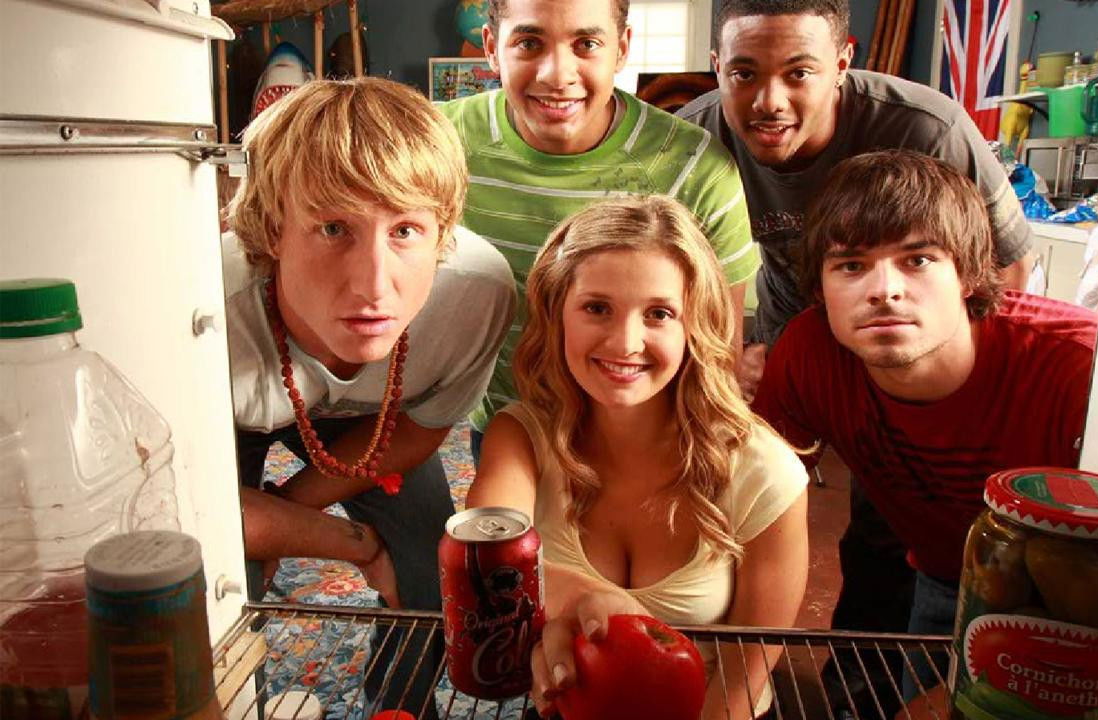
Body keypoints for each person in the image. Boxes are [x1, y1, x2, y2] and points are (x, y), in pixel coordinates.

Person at [751, 150, 1097, 712]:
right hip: (942, 574)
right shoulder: (810, 351)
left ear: (968, 275)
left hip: (1076, 607)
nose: (884, 290)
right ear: (818, 288)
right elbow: (748, 497)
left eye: (917, 260)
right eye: (851, 266)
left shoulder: (1078, 369)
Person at [223, 77, 515, 716]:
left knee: (428, 574)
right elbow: (184, 512)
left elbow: (420, 430)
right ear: (272, 229)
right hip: (227, 418)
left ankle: (399, 707)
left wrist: (284, 516)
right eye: (333, 228)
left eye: (406, 230)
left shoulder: (475, 294)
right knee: (218, 578)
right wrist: (354, 543)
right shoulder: (203, 312)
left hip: (377, 418)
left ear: (443, 234)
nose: (374, 285)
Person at [465, 195, 809, 720]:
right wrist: (589, 597)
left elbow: (744, 675)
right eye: (597, 308)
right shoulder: (521, 435)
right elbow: (483, 558)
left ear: (693, 325)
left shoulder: (765, 471)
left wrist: (563, 596)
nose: (626, 342)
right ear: (557, 313)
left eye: (659, 314)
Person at [438, 0, 760, 459]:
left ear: (622, 48)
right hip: (509, 430)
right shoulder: (440, 143)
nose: (557, 74)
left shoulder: (697, 168)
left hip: (652, 440)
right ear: (491, 47)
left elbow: (718, 354)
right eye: (529, 43)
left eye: (586, 44)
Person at [678, 0, 1034, 388]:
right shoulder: (690, 144)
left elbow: (1009, 265)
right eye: (744, 74)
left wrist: (969, 378)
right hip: (790, 326)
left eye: (799, 73)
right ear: (717, 67)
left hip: (912, 332)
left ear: (842, 65)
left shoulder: (930, 131)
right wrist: (732, 358)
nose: (770, 102)